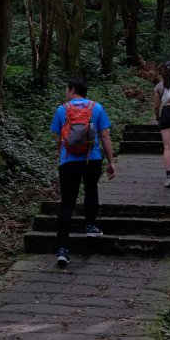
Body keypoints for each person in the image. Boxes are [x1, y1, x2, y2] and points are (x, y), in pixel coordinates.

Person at [50, 77, 116, 268]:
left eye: (66, 89)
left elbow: (57, 139)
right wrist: (111, 161)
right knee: (91, 190)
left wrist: (61, 157)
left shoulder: (62, 109)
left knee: (67, 203)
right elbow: (104, 135)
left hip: (68, 161)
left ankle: (62, 249)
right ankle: (90, 226)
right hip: (92, 158)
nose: (65, 92)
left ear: (72, 90)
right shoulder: (96, 107)